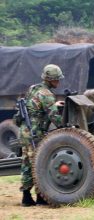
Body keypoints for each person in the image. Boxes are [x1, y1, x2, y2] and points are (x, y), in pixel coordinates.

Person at [19, 64, 64, 206]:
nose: (58, 82)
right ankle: (39, 197)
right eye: (57, 79)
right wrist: (65, 127)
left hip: (25, 130)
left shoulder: (34, 88)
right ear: (50, 79)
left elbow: (35, 105)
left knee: (27, 162)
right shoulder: (47, 94)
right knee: (38, 164)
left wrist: (54, 103)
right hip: (35, 132)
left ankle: (27, 196)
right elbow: (54, 117)